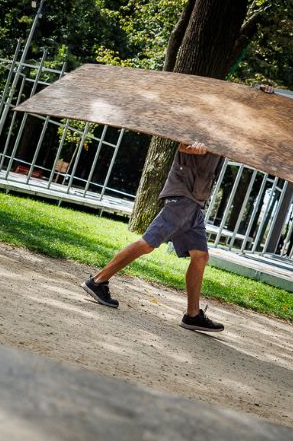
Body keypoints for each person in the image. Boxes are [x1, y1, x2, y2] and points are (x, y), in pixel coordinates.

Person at [83, 139, 225, 333]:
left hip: (195, 202)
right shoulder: (201, 120)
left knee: (200, 257)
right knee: (147, 244)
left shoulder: (228, 127)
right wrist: (192, 147)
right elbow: (181, 143)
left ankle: (193, 315)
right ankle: (97, 281)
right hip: (183, 196)